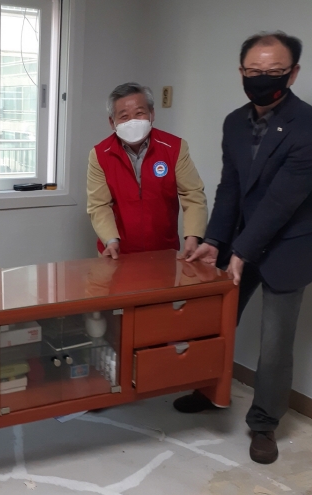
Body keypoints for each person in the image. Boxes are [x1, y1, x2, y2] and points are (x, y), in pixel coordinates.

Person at [174, 31, 312, 465]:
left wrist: (242, 251)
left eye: (274, 71)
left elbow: (282, 201)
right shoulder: (234, 122)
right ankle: (208, 391)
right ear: (241, 72)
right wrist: (215, 240)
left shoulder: (308, 125)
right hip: (238, 243)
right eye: (254, 71)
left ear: (293, 73)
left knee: (275, 344)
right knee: (216, 323)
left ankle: (264, 424)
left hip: (288, 248)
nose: (262, 78)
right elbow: (230, 188)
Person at [87, 82, 208, 259]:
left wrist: (193, 236)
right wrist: (111, 241)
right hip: (117, 253)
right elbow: (99, 205)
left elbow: (193, 194)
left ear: (152, 114)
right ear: (112, 122)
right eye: (124, 116)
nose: (133, 121)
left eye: (139, 113)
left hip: (164, 251)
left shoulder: (174, 148)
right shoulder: (100, 155)